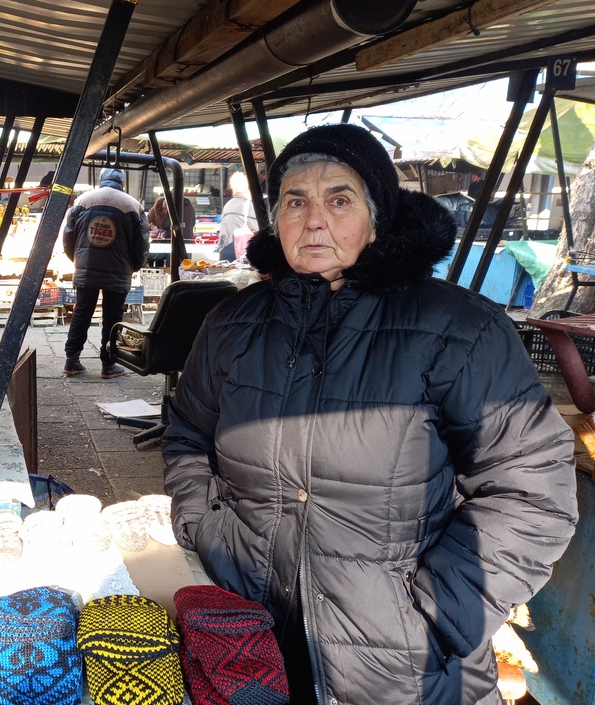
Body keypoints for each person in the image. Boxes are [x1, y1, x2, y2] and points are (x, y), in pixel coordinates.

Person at [162, 124, 577, 704]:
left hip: (406, 672)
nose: (314, 221)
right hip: (256, 648)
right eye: (295, 201)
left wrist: (430, 617)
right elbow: (186, 436)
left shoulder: (460, 329)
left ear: (377, 216)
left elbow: (532, 494)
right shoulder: (233, 324)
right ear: (275, 218)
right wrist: (209, 533)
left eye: (339, 199)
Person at [62, 167, 149, 378]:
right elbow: (142, 244)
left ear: (102, 180)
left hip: (86, 268)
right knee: (113, 317)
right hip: (118, 270)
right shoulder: (132, 205)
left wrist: (78, 260)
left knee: (82, 313)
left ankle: (72, 361)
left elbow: (68, 238)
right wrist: (133, 266)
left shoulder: (83, 201)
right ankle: (109, 365)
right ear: (122, 182)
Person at [216, 170, 259, 262]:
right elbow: (260, 230)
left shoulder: (228, 204)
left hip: (224, 250)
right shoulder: (249, 205)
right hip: (241, 254)